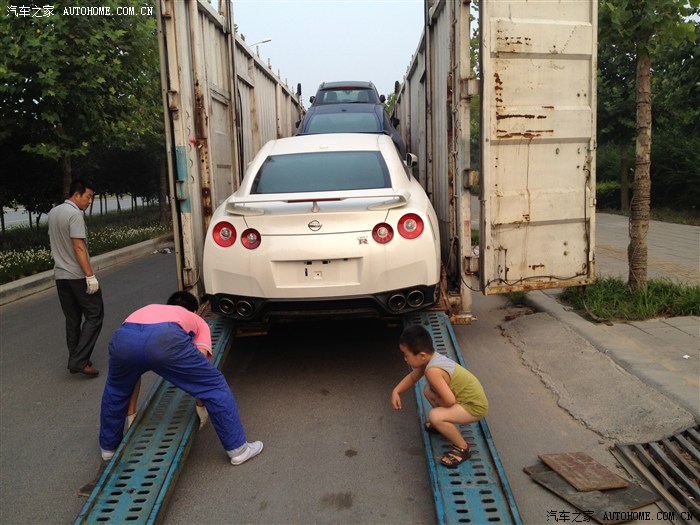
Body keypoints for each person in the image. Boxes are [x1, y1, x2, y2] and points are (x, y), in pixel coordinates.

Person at [99, 291, 263, 466]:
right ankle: (239, 450)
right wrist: (201, 405)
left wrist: (131, 414)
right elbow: (202, 367)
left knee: (115, 390)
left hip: (124, 339)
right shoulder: (196, 319)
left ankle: (108, 448)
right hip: (164, 339)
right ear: (195, 311)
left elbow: (132, 376)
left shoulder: (148, 309)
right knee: (214, 386)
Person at [391, 325, 489, 468]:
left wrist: (436, 402)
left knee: (435, 416)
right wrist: (397, 391)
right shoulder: (432, 359)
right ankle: (442, 424)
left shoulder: (433, 371)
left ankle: (462, 448)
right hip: (468, 401)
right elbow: (412, 378)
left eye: (406, 355)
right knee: (427, 390)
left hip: (474, 408)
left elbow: (449, 401)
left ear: (422, 355)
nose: (405, 359)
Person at [47, 177, 103, 377]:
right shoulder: (74, 214)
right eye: (88, 197)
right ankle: (79, 361)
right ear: (76, 194)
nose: (90, 201)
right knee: (95, 314)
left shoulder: (54, 212)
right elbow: (78, 246)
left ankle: (76, 359)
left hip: (61, 276)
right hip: (77, 276)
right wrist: (90, 276)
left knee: (72, 319)